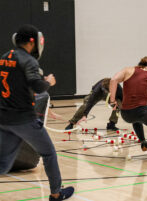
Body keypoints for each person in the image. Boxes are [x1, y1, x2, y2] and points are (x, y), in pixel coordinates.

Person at [0, 24, 74, 200]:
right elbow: (38, 86)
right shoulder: (28, 60)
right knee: (48, 153)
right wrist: (48, 81)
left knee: (3, 163)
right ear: (32, 42)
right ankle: (56, 194)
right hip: (23, 120)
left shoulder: (5, 57)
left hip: (4, 119)